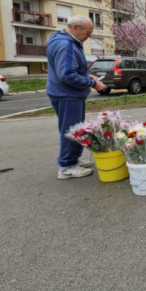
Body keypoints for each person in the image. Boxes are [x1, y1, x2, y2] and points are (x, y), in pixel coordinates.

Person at [46, 16, 107, 179]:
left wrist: (88, 76)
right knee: (70, 130)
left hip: (66, 94)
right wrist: (92, 83)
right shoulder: (66, 45)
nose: (89, 36)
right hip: (67, 95)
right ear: (75, 28)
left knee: (74, 129)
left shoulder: (62, 40)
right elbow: (66, 75)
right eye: (88, 33)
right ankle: (66, 166)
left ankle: (73, 160)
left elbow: (71, 70)